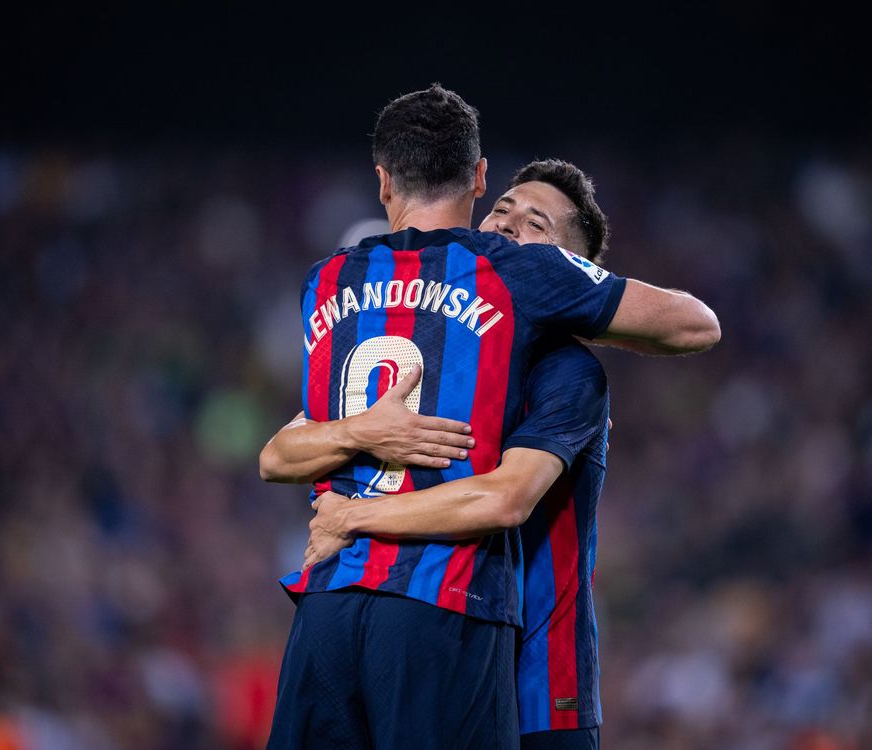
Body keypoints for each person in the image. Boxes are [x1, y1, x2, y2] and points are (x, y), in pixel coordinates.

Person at [264, 84, 719, 750]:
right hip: (438, 624)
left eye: (537, 227)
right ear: (478, 185)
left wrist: (352, 514)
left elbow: (506, 499)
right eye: (503, 208)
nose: (507, 228)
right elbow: (277, 452)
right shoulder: (454, 327)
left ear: (569, 271)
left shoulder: (566, 368)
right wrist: (360, 432)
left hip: (536, 676)